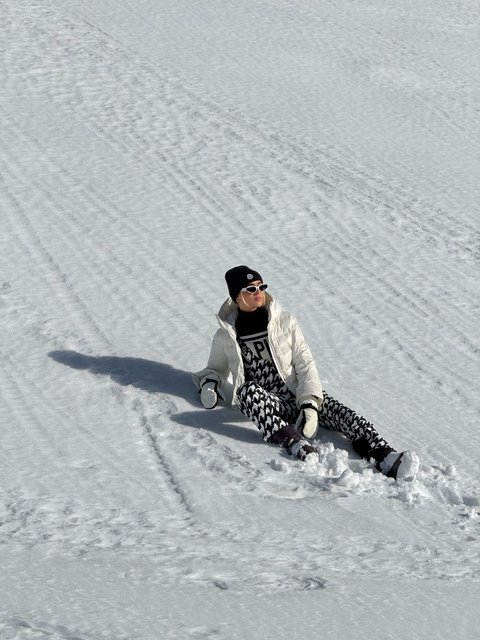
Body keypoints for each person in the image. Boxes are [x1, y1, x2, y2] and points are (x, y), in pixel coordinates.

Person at [193, 265, 419, 481]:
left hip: (297, 393)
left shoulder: (284, 322)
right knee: (246, 392)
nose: (258, 292)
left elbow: (305, 363)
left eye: (261, 287)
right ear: (237, 296)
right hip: (267, 403)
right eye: (251, 289)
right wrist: (209, 385)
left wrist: (309, 402)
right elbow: (214, 369)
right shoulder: (226, 334)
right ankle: (294, 442)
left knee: (342, 413)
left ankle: (385, 456)